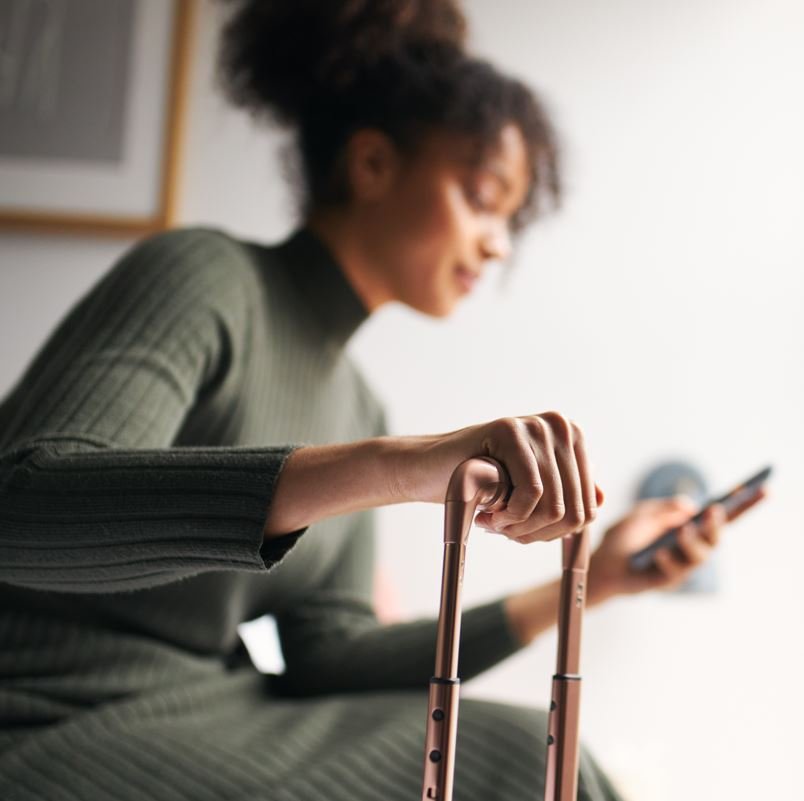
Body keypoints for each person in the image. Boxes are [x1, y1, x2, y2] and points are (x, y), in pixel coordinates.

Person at [0, 2, 741, 799]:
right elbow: (22, 502)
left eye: (510, 217)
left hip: (212, 706)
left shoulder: (357, 404)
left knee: (529, 753)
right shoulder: (203, 277)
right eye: (482, 195)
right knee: (518, 766)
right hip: (47, 718)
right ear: (373, 164)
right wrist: (401, 468)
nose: (497, 241)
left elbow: (329, 655)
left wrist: (590, 577)